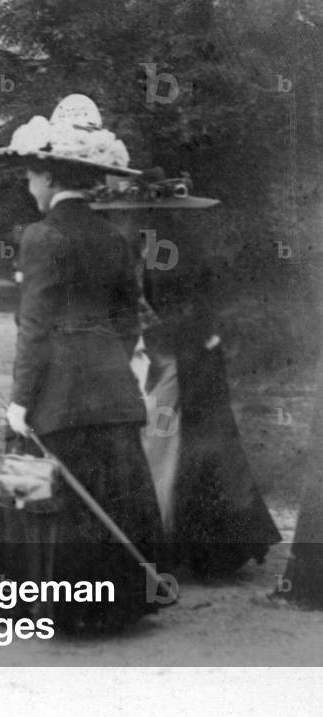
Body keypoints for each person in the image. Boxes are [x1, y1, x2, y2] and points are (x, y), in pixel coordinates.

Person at [0, 95, 165, 633]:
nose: (30, 188)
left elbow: (34, 328)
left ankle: (16, 602)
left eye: (32, 177)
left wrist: (21, 401)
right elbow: (130, 320)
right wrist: (106, 360)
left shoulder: (41, 237)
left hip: (55, 389)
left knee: (27, 476)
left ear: (51, 178)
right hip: (110, 386)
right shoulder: (114, 237)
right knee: (109, 489)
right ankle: (112, 605)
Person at [91, 170, 280, 576]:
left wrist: (150, 339)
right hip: (189, 353)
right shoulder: (170, 239)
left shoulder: (166, 244)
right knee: (190, 446)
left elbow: (176, 307)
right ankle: (192, 543)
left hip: (182, 357)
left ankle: (164, 541)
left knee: (165, 445)